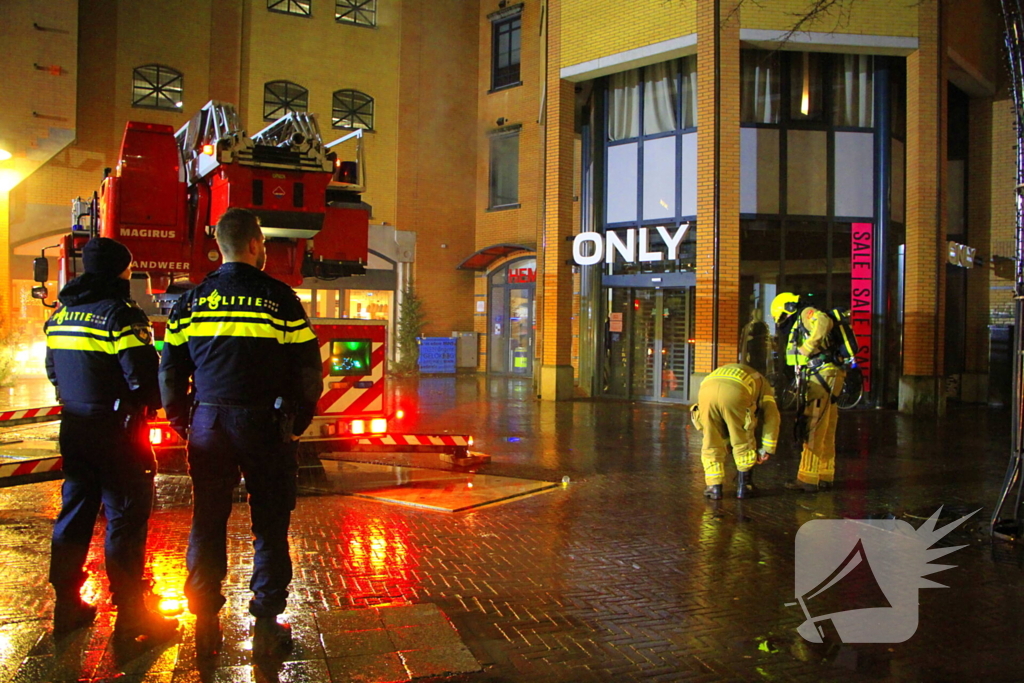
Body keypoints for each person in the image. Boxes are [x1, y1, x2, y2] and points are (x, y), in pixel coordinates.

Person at [159, 208, 322, 657]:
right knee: (269, 526)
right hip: (265, 426)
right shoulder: (281, 299)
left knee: (207, 521)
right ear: (254, 244)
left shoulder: (189, 302)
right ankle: (267, 626)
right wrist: (297, 424)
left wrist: (182, 422)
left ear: (219, 246)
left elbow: (171, 370)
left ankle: (205, 621)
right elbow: (308, 371)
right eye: (265, 244)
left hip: (208, 424)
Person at [44, 237, 178, 643]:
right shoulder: (120, 316)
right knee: (125, 519)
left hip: (76, 426)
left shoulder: (61, 317)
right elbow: (144, 377)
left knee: (75, 513)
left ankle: (66, 604)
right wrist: (157, 403)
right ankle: (133, 616)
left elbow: (53, 372)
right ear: (121, 270)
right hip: (118, 433)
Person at [771, 292, 846, 492]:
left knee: (812, 426)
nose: (783, 323)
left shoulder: (805, 313)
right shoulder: (801, 318)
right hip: (829, 375)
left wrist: (807, 347)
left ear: (788, 308)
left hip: (820, 376)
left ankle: (807, 478)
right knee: (826, 427)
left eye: (782, 318)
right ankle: (824, 474)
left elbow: (822, 321)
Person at [691, 363, 780, 499]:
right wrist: (767, 447)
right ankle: (744, 487)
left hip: (706, 391)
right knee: (742, 440)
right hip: (735, 392)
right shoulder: (763, 385)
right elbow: (772, 416)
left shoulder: (736, 371)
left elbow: (723, 426)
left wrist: (726, 443)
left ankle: (714, 487)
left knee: (711, 440)